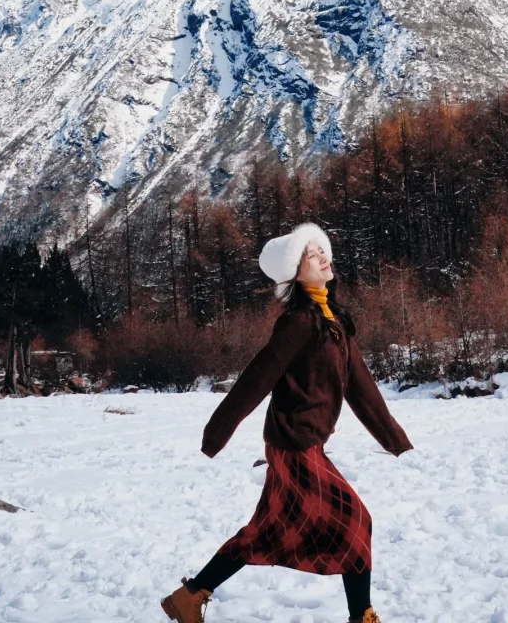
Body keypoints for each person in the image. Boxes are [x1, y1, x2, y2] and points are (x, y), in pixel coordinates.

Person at [160, 223, 413, 623]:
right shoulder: (299, 322)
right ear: (295, 273)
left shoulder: (333, 320)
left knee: (265, 531)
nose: (323, 257)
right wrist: (217, 433)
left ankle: (188, 597)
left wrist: (394, 438)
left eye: (322, 250)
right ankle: (361, 616)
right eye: (312, 255)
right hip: (293, 445)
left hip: (306, 443)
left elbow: (361, 386)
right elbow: (257, 377)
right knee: (356, 519)